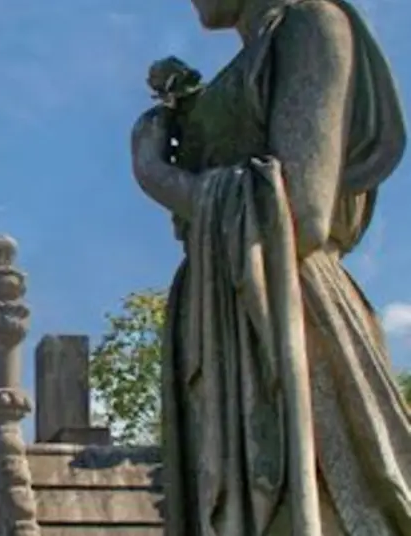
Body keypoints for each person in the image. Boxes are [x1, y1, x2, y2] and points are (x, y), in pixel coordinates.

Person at [129, 0, 411, 534]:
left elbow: (300, 214)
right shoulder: (246, 62)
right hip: (221, 314)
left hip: (287, 313)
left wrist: (156, 176)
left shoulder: (314, 25)